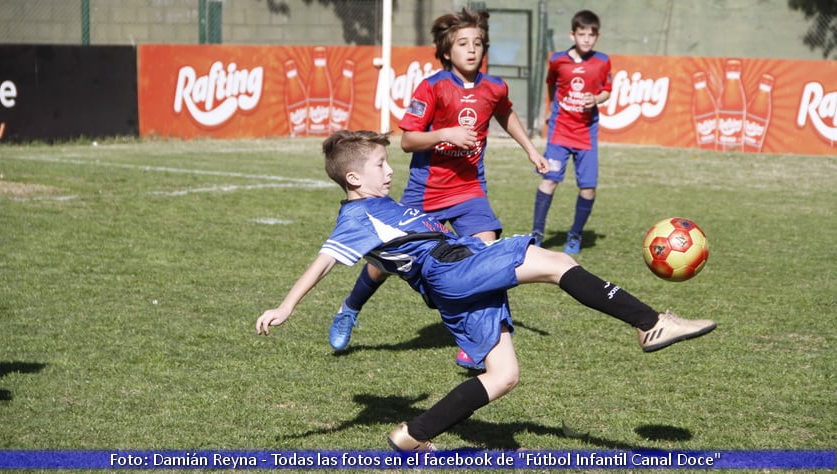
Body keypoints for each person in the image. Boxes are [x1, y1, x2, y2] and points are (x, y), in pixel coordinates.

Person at [256, 130, 717, 451]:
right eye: (380, 165)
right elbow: (324, 260)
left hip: (450, 281)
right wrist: (286, 305)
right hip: (452, 270)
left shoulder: (378, 204)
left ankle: (410, 436)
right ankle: (651, 323)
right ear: (354, 178)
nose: (389, 171)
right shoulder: (356, 219)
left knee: (503, 376)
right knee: (559, 264)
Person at [328, 7, 549, 371]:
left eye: (478, 42)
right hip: (424, 194)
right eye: (463, 43)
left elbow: (505, 112)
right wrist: (445, 134)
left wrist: (531, 150)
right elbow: (408, 141)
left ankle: (476, 342)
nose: (472, 49)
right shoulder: (432, 87)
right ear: (447, 51)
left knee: (487, 256)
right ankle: (349, 308)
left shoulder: (493, 87)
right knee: (385, 264)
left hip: (468, 190)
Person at [531, 10, 611, 254]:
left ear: (597, 36)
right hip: (560, 132)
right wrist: (550, 110)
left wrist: (596, 98)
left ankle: (575, 235)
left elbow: (608, 90)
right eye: (582, 34)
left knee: (588, 188)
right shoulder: (557, 60)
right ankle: (536, 233)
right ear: (573, 34)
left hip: (586, 134)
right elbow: (552, 85)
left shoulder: (602, 61)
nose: (586, 39)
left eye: (591, 35)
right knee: (550, 181)